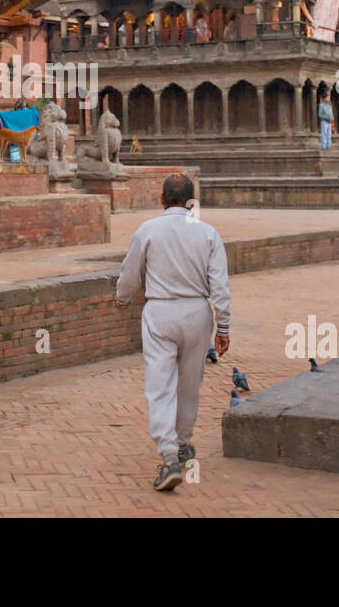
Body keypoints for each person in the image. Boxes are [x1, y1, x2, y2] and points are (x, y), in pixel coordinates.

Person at [116, 173, 231, 492]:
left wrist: (122, 297)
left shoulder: (148, 230)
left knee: (159, 385)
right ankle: (183, 443)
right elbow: (219, 285)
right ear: (192, 201)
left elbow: (129, 273)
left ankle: (169, 456)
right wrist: (223, 326)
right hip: (197, 312)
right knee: (190, 383)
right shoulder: (208, 233)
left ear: (162, 199)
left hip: (160, 311)